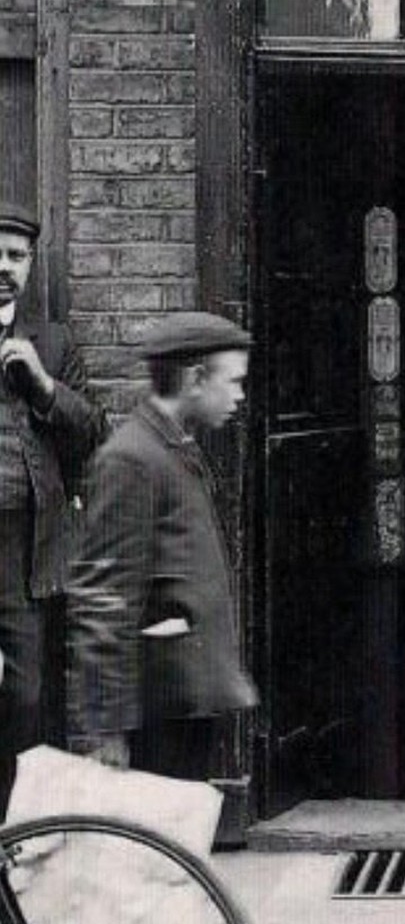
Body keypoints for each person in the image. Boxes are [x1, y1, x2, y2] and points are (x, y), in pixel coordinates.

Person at [67, 311, 259, 777]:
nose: (239, 395)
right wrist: (106, 728)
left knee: (175, 843)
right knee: (153, 845)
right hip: (156, 711)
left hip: (184, 698)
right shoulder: (133, 459)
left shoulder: (172, 449)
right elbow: (103, 595)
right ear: (195, 378)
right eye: (232, 382)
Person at [0, 201, 106, 815]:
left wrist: (43, 386)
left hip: (27, 548)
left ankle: (24, 830)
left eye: (17, 257)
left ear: (32, 265)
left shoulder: (53, 342)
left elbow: (92, 430)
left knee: (27, 695)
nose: (4, 267)